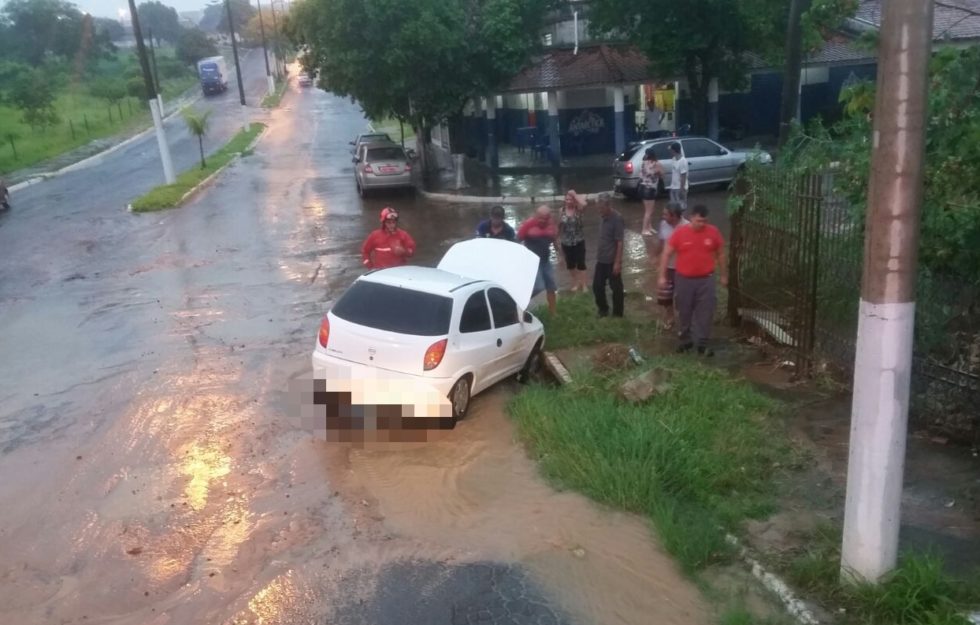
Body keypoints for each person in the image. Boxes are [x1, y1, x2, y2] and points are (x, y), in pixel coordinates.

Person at [657, 204, 726, 356]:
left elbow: (721, 253)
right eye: (699, 221)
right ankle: (685, 339)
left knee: (706, 311)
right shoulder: (680, 233)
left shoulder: (713, 232)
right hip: (684, 279)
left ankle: (703, 343)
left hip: (706, 280)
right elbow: (666, 253)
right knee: (684, 310)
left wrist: (723, 275)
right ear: (691, 218)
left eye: (705, 221)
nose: (702, 224)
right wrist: (662, 276)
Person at [653, 202, 689, 330]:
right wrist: (655, 256)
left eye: (665, 214)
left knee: (683, 296)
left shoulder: (687, 227)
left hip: (682, 269)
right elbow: (661, 242)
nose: (663, 217)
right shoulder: (663, 225)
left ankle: (685, 320)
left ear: (674, 216)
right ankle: (670, 317)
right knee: (665, 296)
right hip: (668, 267)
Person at [517, 205, 559, 315]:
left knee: (551, 286)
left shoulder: (550, 225)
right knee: (538, 286)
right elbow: (517, 240)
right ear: (536, 215)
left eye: (545, 218)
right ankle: (519, 303)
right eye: (540, 217)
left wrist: (561, 256)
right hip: (532, 262)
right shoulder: (528, 224)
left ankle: (553, 313)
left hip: (545, 261)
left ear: (548, 218)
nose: (542, 221)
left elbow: (554, 240)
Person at [593, 195, 625, 318]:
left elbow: (620, 242)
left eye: (601, 208)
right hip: (601, 259)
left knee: (616, 289)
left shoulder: (617, 219)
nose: (599, 211)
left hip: (612, 260)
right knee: (597, 286)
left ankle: (618, 314)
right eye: (598, 208)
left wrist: (617, 262)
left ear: (608, 206)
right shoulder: (603, 217)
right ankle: (603, 309)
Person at [558, 190, 589, 292]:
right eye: (566, 199)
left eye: (570, 199)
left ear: (574, 200)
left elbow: (585, 204)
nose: (568, 201)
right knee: (570, 265)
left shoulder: (578, 209)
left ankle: (584, 284)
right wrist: (558, 239)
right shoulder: (561, 210)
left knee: (581, 263)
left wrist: (575, 194)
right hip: (566, 242)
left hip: (579, 240)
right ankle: (576, 282)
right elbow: (560, 226)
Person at [639, 147, 665, 236]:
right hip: (650, 189)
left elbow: (642, 175)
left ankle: (649, 227)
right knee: (649, 211)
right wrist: (657, 172)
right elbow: (662, 174)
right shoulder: (656, 164)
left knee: (648, 210)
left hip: (642, 187)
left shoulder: (643, 163)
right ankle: (644, 229)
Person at [667, 142, 689, 210]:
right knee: (673, 208)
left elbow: (684, 176)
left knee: (681, 208)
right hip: (673, 187)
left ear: (674, 150)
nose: (670, 151)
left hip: (680, 188)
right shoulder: (673, 159)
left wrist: (681, 189)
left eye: (671, 150)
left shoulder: (683, 161)